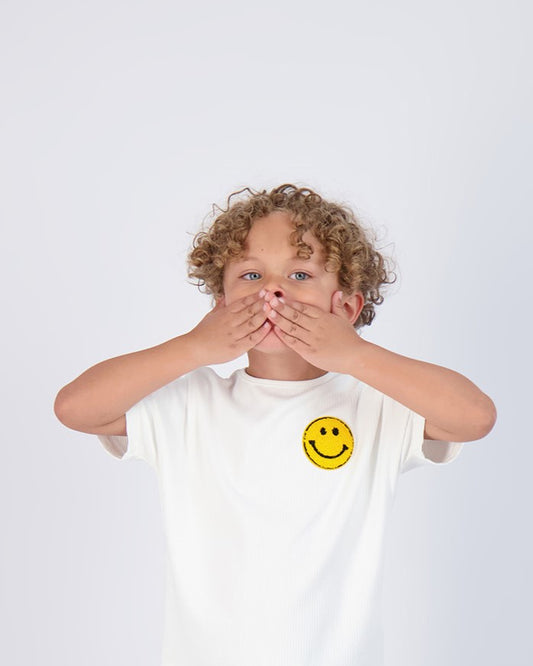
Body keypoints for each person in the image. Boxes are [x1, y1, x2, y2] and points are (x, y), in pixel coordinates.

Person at [54, 183, 497, 666]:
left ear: (346, 308)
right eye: (250, 275)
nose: (272, 290)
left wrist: (354, 354)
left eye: (300, 273)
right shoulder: (190, 404)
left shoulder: (376, 406)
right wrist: (193, 348)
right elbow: (76, 408)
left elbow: (473, 417)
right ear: (220, 306)